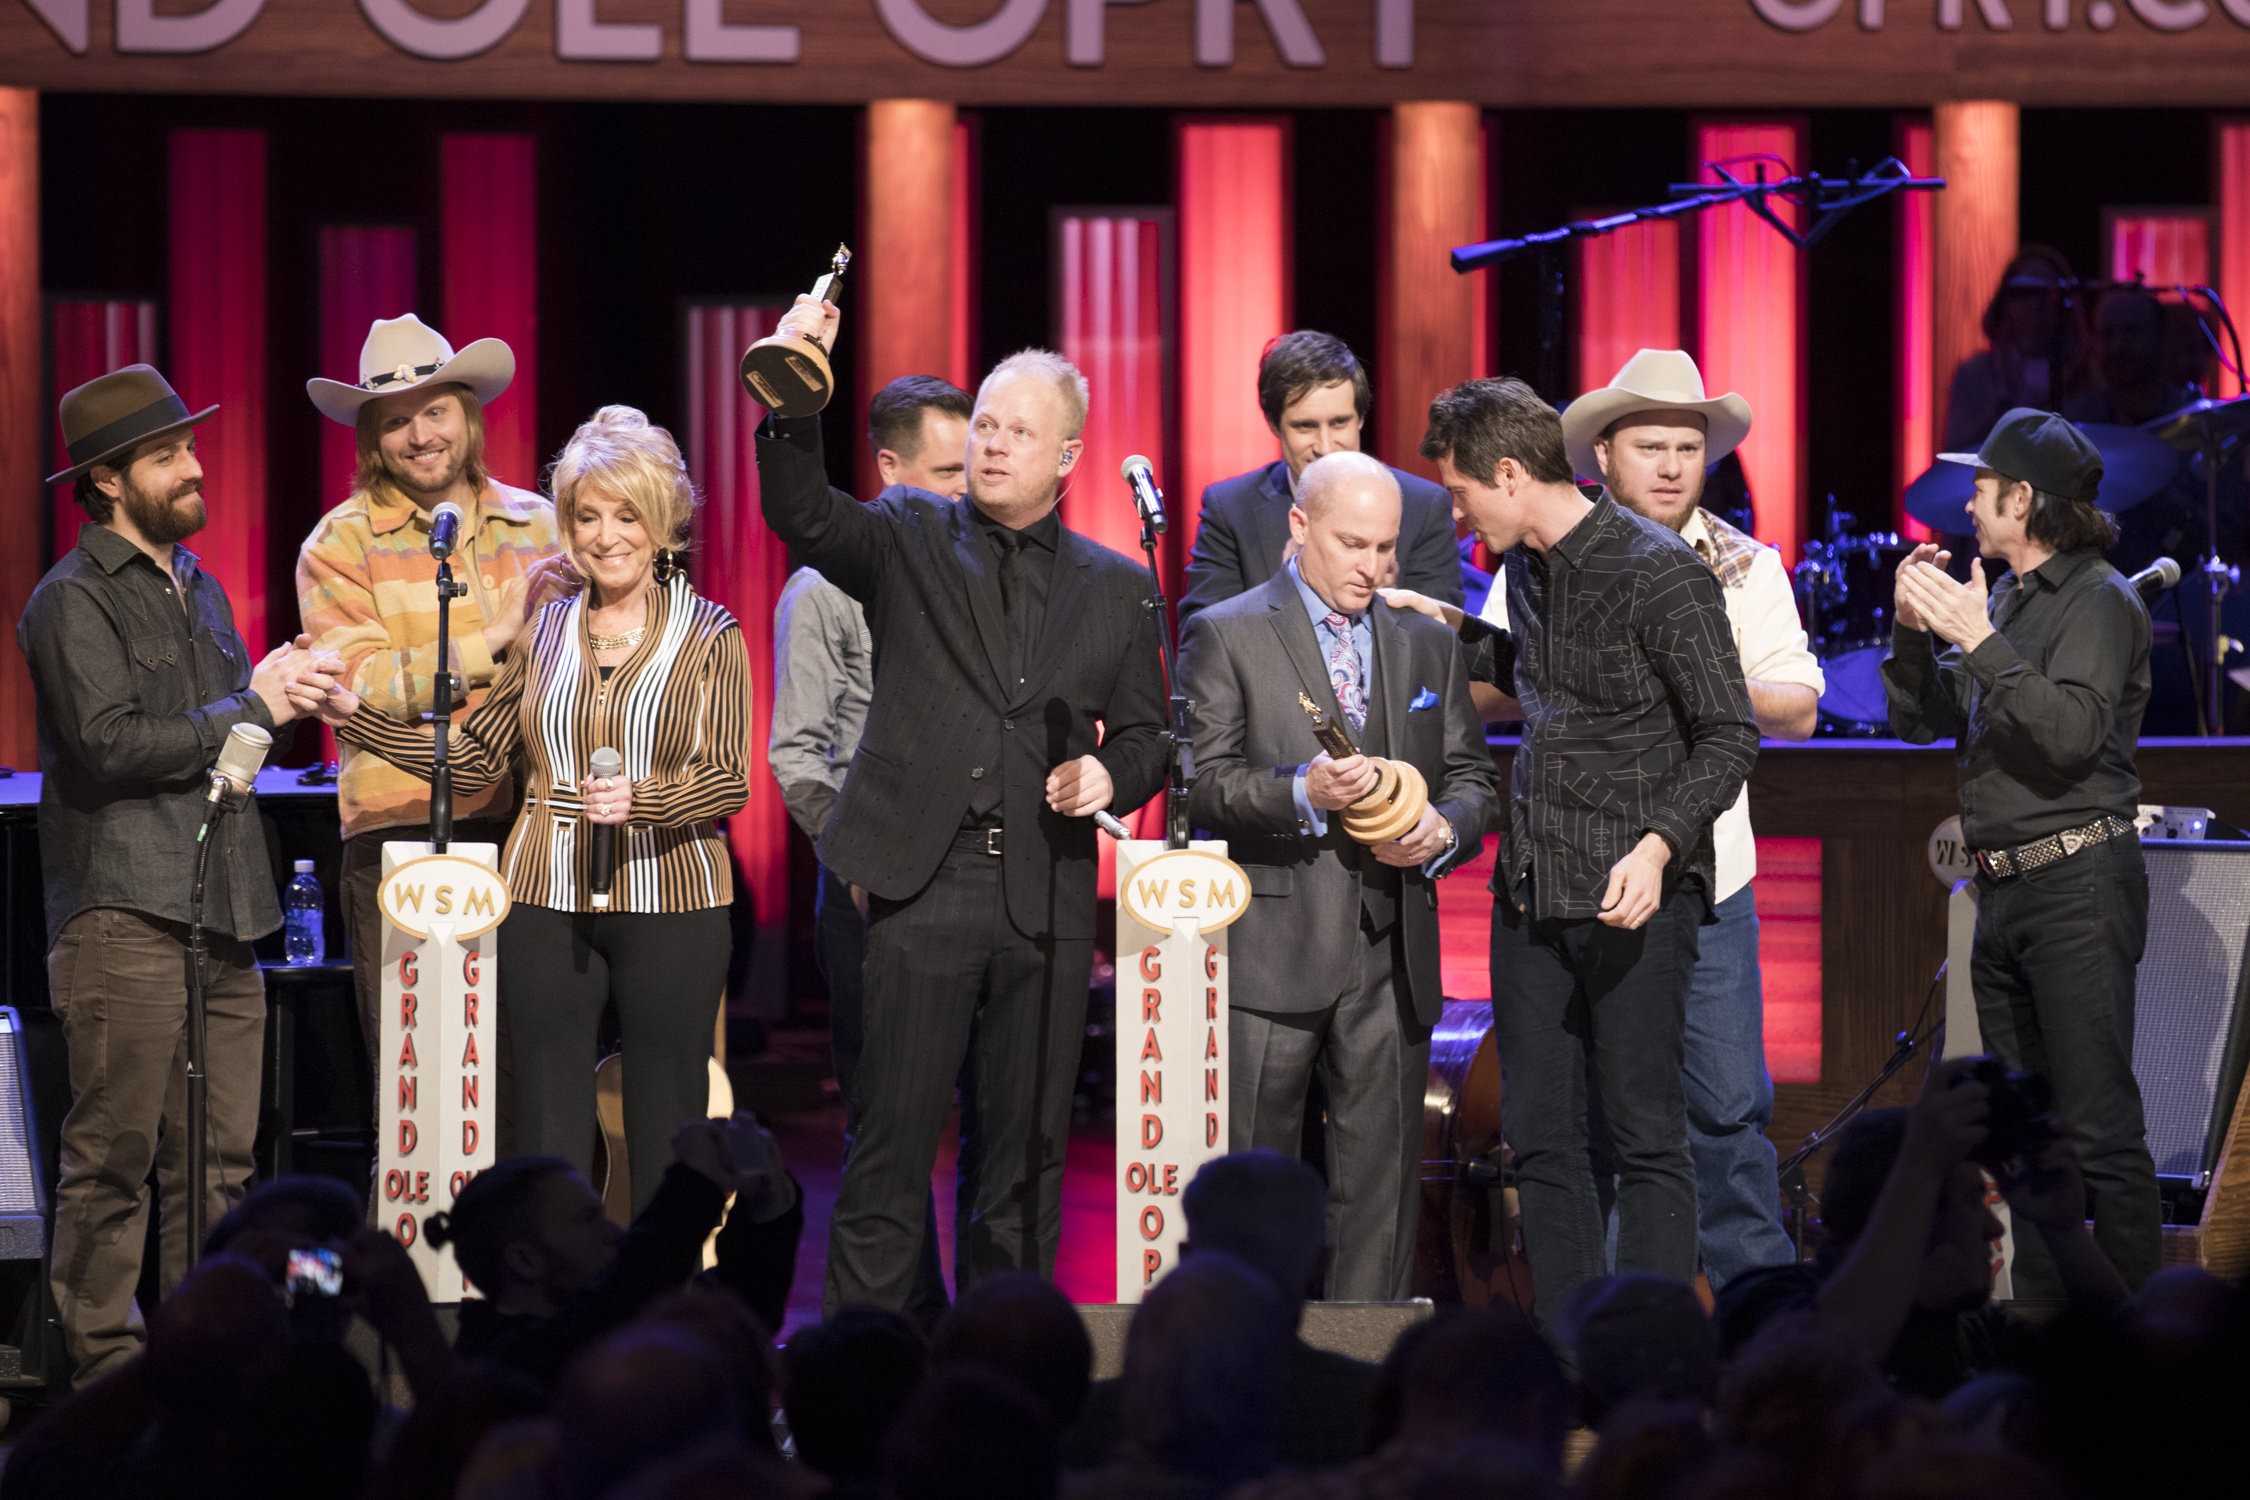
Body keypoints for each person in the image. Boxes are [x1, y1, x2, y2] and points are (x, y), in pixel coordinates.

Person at [755, 297, 1169, 1314]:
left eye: (1016, 429)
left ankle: (1007, 1379)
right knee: (891, 1149)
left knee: (1021, 1160)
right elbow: (802, 513)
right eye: (983, 422)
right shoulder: (909, 531)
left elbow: (1156, 732)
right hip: (918, 879)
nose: (990, 442)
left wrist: (1113, 777)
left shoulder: (1116, 588)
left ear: (1067, 455)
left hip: (1045, 891)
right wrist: (796, 383)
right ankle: (861, 1386)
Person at [321, 406, 750, 1213]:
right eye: (585, 515)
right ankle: (550, 1309)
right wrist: (358, 713)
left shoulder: (710, 633)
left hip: (675, 902)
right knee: (548, 1124)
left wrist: (645, 799)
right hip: (543, 899)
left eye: (627, 515)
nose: (603, 535)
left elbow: (727, 779)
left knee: (668, 1125)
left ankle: (663, 1313)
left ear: (664, 523)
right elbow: (479, 755)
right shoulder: (546, 630)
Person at [19, 364, 339, 1388]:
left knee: (220, 1165)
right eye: (168, 456)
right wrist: (255, 702)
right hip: (126, 912)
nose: (194, 467)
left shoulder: (199, 587)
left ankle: (214, 1359)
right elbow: (111, 747)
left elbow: (222, 743)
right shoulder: (67, 603)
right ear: (109, 482)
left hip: (225, 910)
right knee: (113, 1162)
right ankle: (108, 1377)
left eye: (189, 448)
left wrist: (287, 698)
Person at [1413, 377, 1757, 1327]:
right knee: (1544, 1141)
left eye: (1460, 492)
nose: (1455, 511)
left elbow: (1729, 732)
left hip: (1631, 890)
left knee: (1647, 1135)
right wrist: (1428, 628)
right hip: (1531, 890)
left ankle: (1644, 1355)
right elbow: (1542, 680)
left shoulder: (1660, 572)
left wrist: (1657, 850)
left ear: (1513, 473)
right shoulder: (1525, 569)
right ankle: (1570, 1358)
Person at [1178, 451, 1495, 1300]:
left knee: (1380, 1199)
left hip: (1392, 954)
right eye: (1353, 544)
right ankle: (1244, 1367)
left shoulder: (1427, 640)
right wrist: (1301, 791)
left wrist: (1439, 832)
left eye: (1385, 548)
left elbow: (1475, 781)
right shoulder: (1228, 630)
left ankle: (1356, 1381)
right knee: (1253, 1187)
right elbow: (1202, 783)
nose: (1372, 567)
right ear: (1299, 526)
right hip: (1273, 952)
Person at [1552, 350, 1820, 1292]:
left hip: (1714, 879)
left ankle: (1763, 1323)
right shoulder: (1552, 552)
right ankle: (1618, 1327)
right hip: (1583, 875)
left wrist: (1692, 674)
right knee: (1606, 1112)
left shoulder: (1746, 566)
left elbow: (1800, 701)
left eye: (1685, 448)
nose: (1669, 465)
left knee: (1728, 1111)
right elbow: (1487, 689)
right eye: (1649, 445)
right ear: (1604, 457)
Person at [1880, 407, 2161, 1292]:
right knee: (2026, 1136)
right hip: (2001, 895)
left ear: (2024, 499)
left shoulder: (2101, 602)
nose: (1967, 503)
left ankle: (2138, 1355)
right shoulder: (2001, 600)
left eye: (1981, 487)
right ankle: (2046, 1337)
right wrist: (1913, 631)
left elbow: (2075, 734)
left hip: (2078, 885)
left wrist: (1979, 639)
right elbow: (1919, 723)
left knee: (2099, 1128)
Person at [298, 314, 564, 1061]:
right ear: (371, 438)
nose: (420, 436)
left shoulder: (540, 524)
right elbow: (358, 686)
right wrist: (495, 638)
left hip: (532, 833)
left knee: (523, 1067)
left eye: (436, 411)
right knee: (422, 1076)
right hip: (401, 828)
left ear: (468, 417)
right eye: (396, 422)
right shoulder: (339, 543)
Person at [770, 373, 971, 1324]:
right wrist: (853, 863)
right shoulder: (823, 591)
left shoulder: (984, 576)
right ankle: (887, 1334)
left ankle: (976, 1322)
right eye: (946, 475)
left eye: (975, 474)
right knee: (888, 1121)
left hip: (974, 879)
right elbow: (798, 757)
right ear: (887, 471)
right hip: (870, 885)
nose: (966, 495)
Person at [1715, 1059, 2126, 1399]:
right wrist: (1922, 1165)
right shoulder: (1765, 1300)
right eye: (1971, 1201)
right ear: (1914, 1211)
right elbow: (1826, 1368)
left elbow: (2135, 1370)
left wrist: (2066, 1232)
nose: (1990, 1228)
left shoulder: (1974, 1331)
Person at [1179, 331, 1463, 624]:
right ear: (1274, 425)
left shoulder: (1423, 507)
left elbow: (1441, 642)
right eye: (1305, 427)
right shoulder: (1230, 509)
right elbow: (1202, 634)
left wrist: (1380, 602)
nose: (1325, 447)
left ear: (1361, 417)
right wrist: (1289, 585)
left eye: (1339, 423)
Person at [1940, 246, 2089, 454]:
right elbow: (1955, 455)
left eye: (2050, 291)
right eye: (2025, 291)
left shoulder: (2088, 375)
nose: (2038, 302)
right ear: (2005, 301)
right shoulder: (1976, 376)